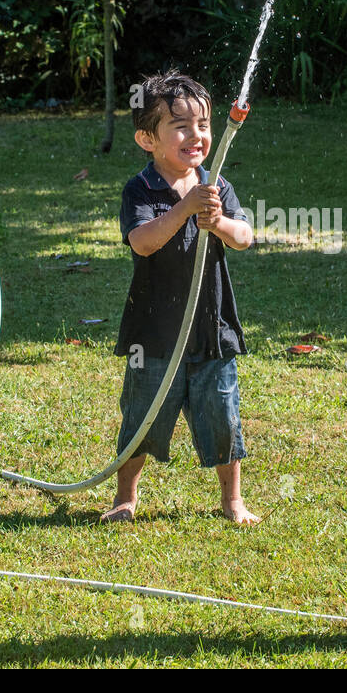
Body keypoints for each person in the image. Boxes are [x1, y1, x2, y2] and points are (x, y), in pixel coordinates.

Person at [102, 70, 260, 526]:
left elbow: (245, 236)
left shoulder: (217, 185)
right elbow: (143, 242)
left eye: (204, 124)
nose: (197, 135)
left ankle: (233, 501)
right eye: (181, 126)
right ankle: (125, 497)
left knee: (222, 416)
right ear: (147, 139)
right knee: (142, 416)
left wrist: (221, 224)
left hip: (211, 329)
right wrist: (185, 209)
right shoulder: (142, 189)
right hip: (152, 335)